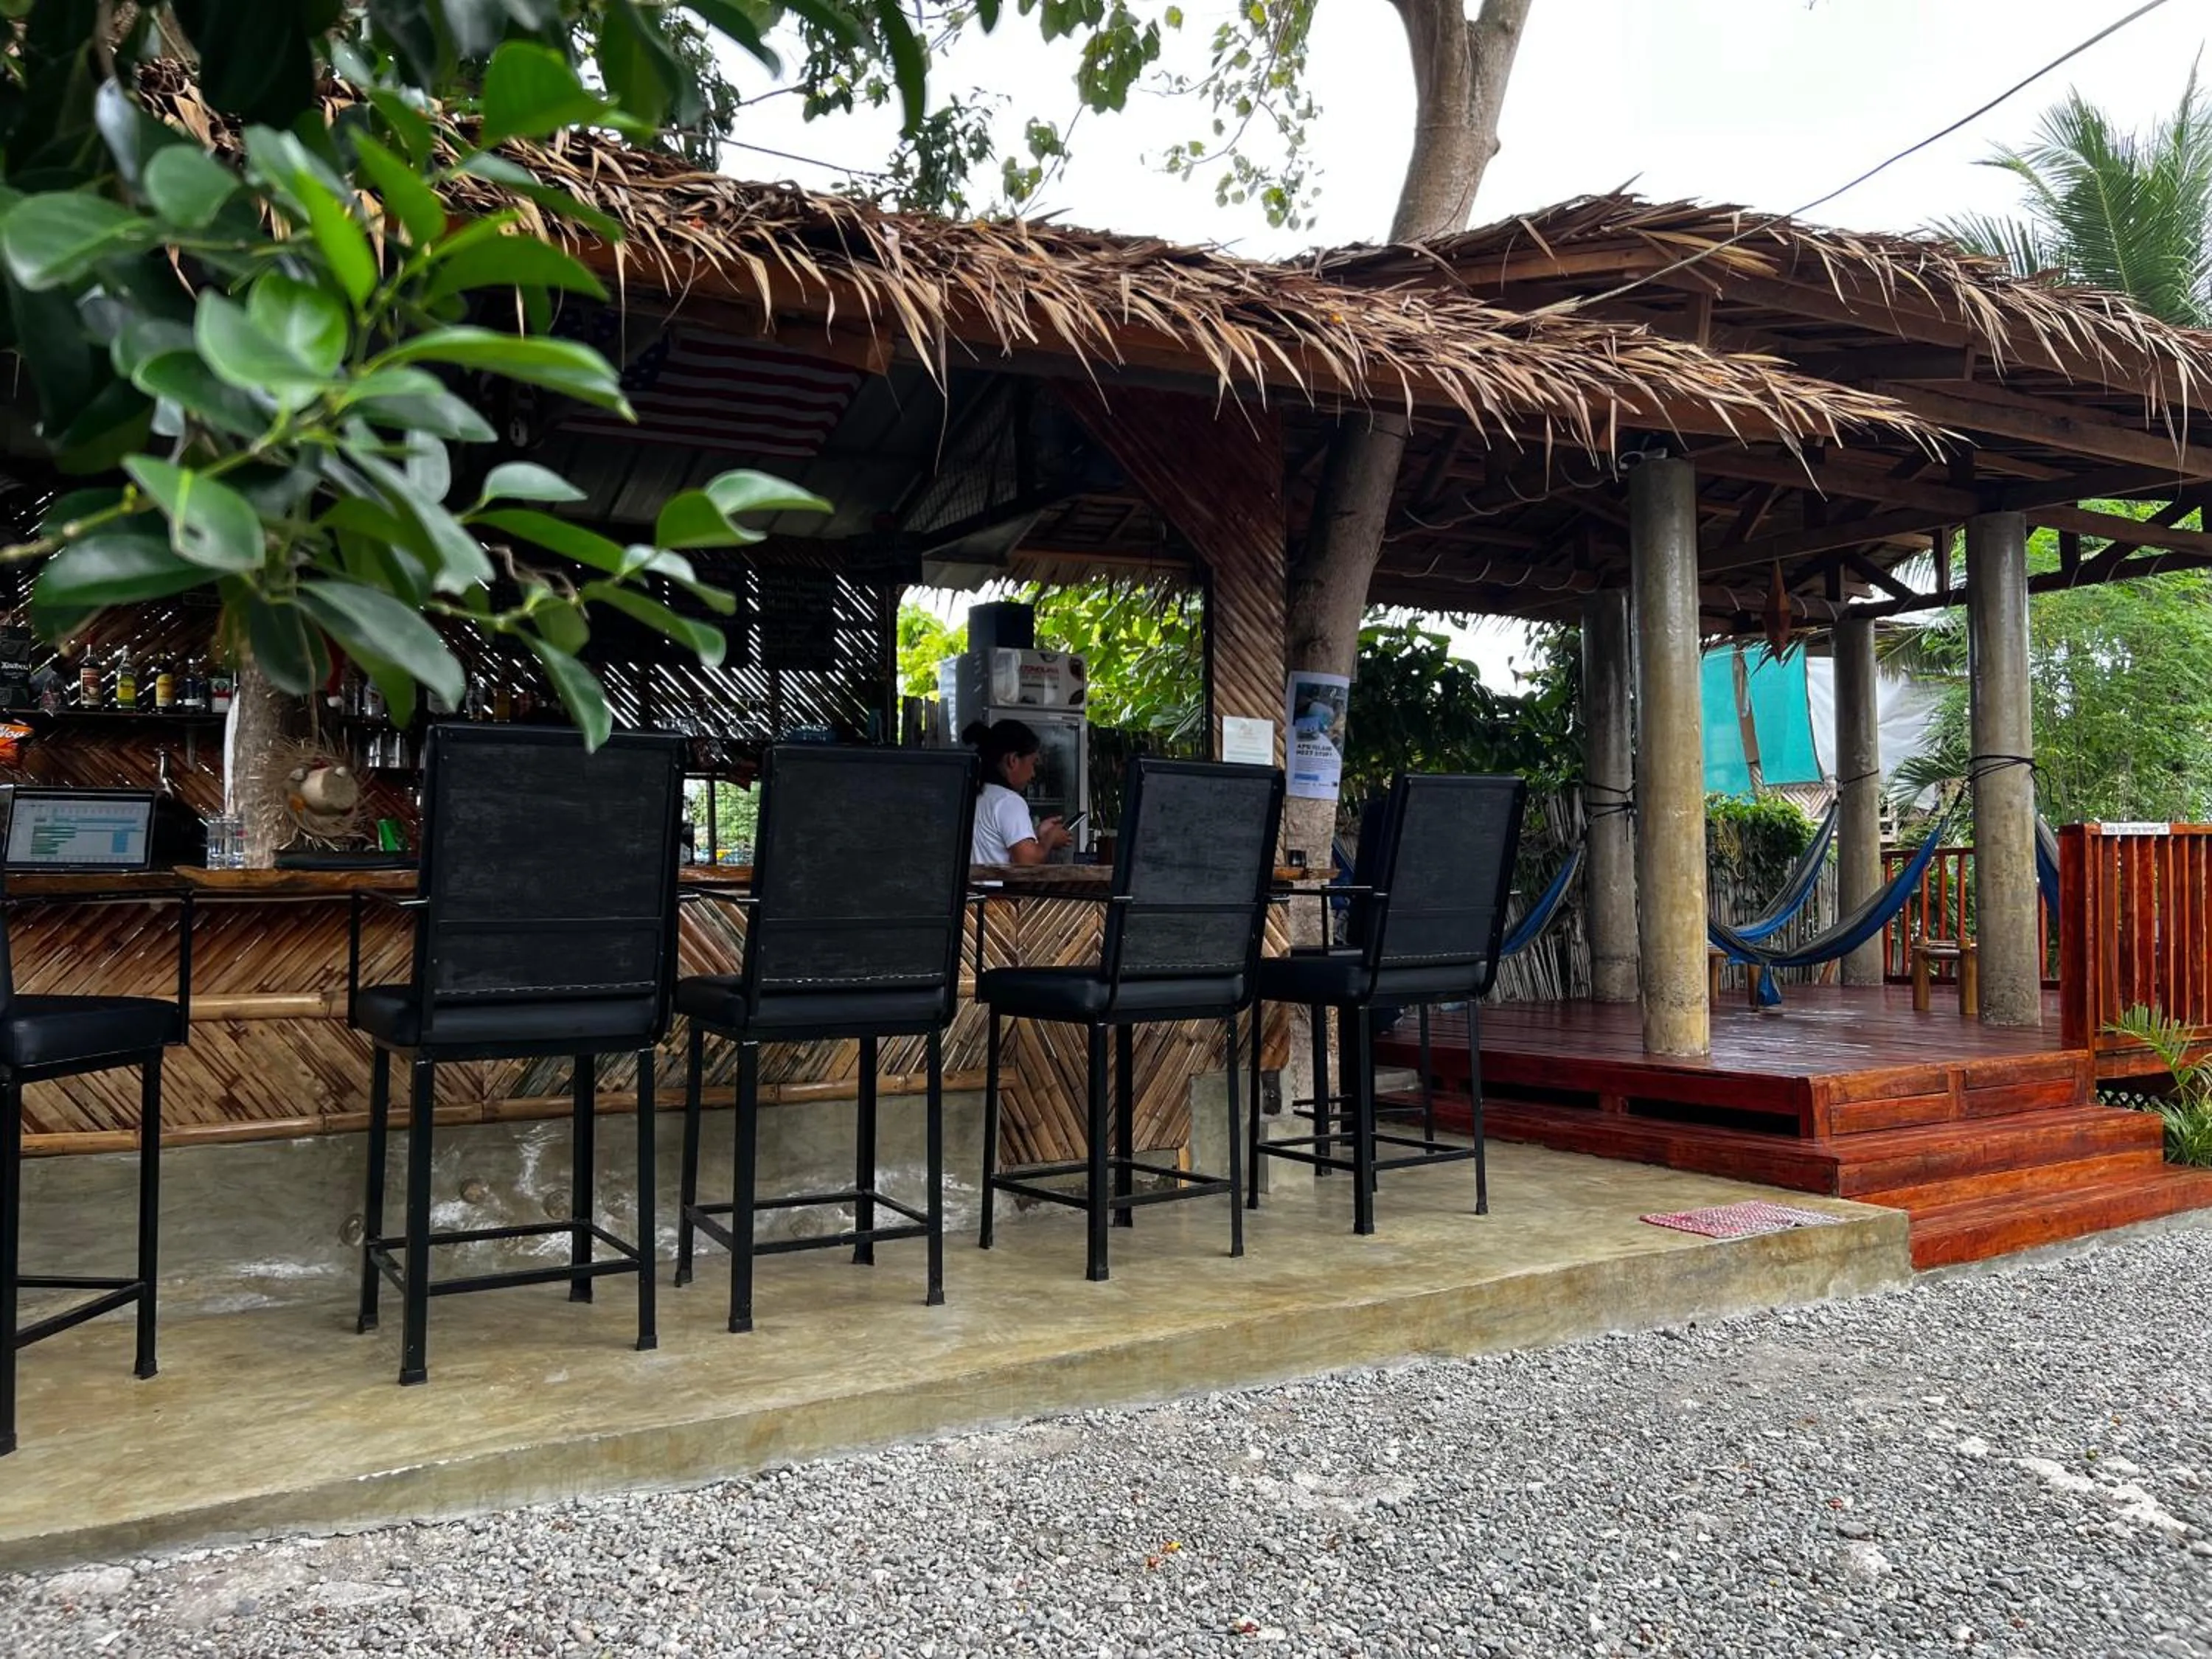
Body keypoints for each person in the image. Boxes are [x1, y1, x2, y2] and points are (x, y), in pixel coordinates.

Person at [965, 719, 1071, 866]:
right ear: (1013, 760)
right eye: (1032, 763)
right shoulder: (1008, 801)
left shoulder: (975, 794)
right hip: (993, 888)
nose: (1033, 773)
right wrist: (1051, 838)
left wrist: (1036, 836)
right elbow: (1027, 861)